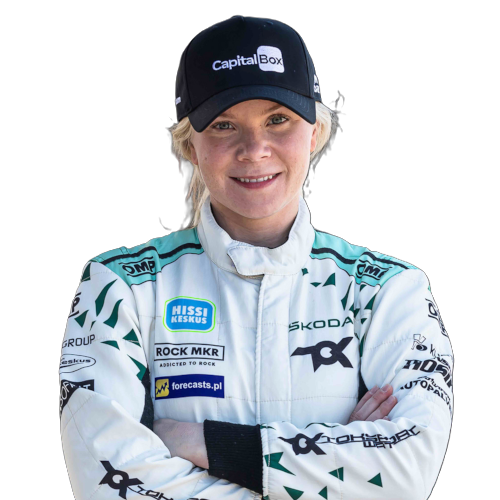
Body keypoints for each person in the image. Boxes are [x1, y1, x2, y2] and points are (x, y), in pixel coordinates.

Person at [59, 15, 453, 500]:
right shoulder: (120, 287)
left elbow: (410, 472)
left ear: (314, 132)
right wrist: (338, 467)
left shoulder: (388, 289)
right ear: (190, 147)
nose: (254, 149)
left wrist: (205, 443)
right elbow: (106, 485)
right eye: (224, 125)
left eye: (277, 119)